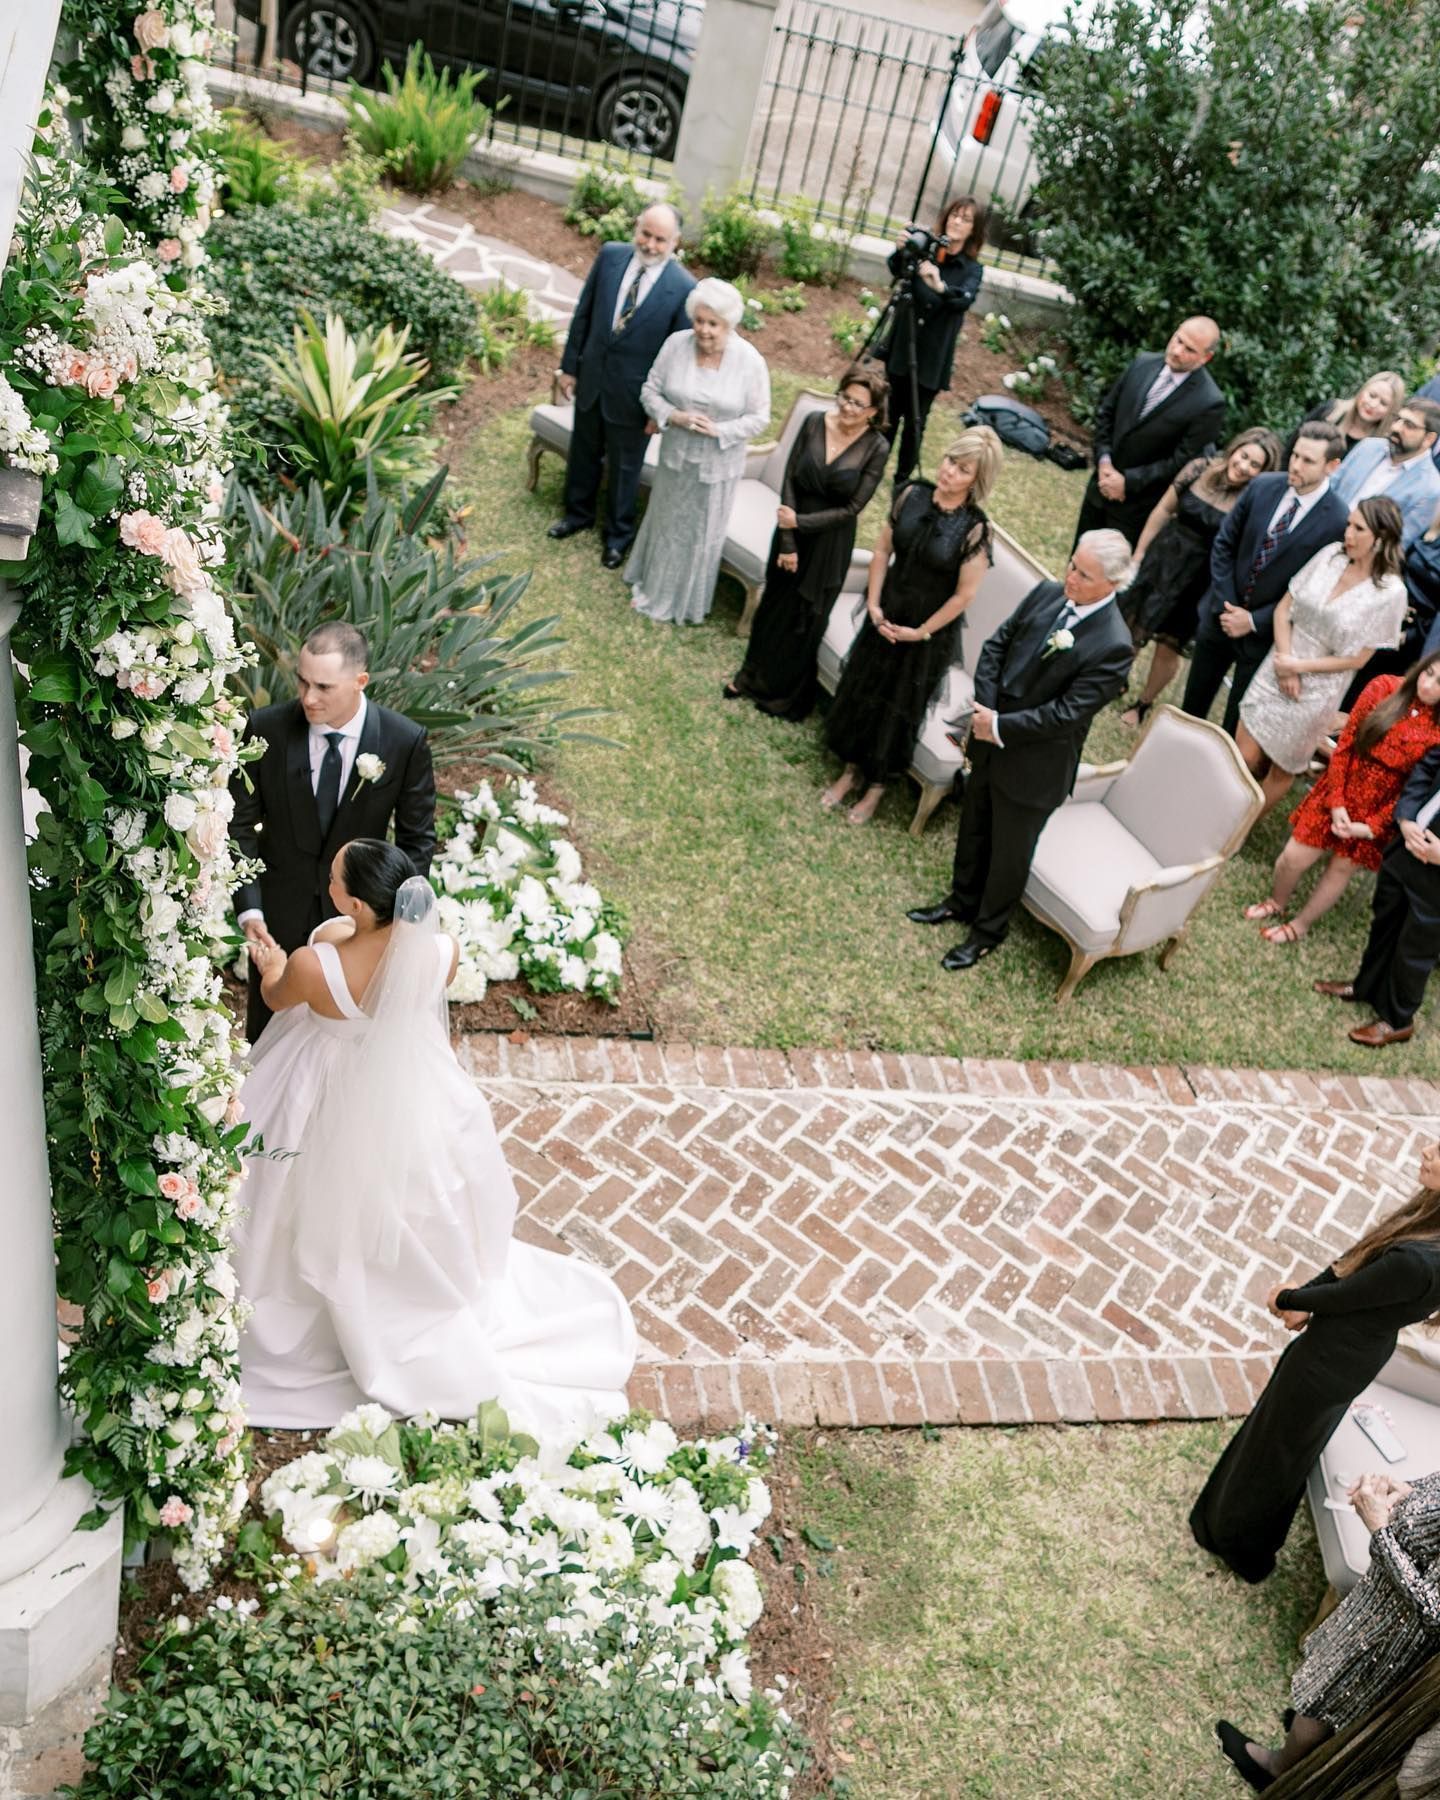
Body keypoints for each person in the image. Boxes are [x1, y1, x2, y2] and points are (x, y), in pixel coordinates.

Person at [234, 840, 636, 1433]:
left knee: (291, 1191)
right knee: (411, 1194)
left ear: (357, 902)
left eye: (336, 877)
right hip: (405, 1088)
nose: (329, 881)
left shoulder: (312, 966)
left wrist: (270, 962)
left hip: (320, 1086)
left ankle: (310, 1314)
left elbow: (275, 997)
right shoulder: (439, 950)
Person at [1191, 1140, 1440, 1588]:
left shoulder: (1420, 1262)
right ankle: (1226, 1521)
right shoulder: (1429, 1218)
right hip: (1341, 1348)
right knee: (1275, 1441)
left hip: (1333, 1359)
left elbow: (1346, 1295)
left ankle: (1240, 1543)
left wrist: (1287, 1298)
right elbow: (1354, 1262)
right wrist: (1307, 1294)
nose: (1427, 1151)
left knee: (1277, 1454)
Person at [906, 530, 1135, 968]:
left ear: (1112, 583)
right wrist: (987, 713)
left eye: (1084, 575)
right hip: (990, 737)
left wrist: (1001, 726)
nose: (1071, 578)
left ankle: (988, 932)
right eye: (1072, 565)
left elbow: (1067, 713)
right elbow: (997, 645)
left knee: (1009, 852)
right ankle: (960, 900)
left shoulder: (1114, 644)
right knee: (974, 823)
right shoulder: (1048, 593)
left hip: (1036, 766)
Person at [230, 622, 436, 1045]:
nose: (308, 698)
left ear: (360, 681)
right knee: (269, 1040)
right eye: (302, 682)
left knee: (354, 1052)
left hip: (361, 928)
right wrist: (251, 911)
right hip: (278, 920)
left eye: (324, 687)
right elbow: (238, 826)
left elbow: (417, 842)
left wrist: (392, 923)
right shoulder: (266, 729)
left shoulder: (403, 740)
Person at [1217, 1461, 1440, 1791]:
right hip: (1377, 1609)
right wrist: (1409, 1494)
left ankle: (1278, 1769)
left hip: (1393, 1636)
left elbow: (1434, 1612)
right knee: (1327, 1689)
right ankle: (1310, 1740)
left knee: (1327, 1693)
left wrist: (1379, 1528)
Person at [820, 428, 1001, 824]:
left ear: (977, 480)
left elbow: (963, 596)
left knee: (899, 706)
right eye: (950, 461)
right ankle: (849, 771)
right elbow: (883, 549)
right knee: (863, 687)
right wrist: (872, 603)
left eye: (963, 469)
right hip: (886, 610)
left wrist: (920, 632)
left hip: (926, 632)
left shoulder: (975, 531)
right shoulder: (911, 495)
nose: (950, 472)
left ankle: (876, 787)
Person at [725, 368, 890, 719]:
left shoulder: (877, 447)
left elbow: (853, 508)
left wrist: (799, 522)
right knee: (773, 606)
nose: (848, 408)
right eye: (845, 397)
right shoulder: (815, 422)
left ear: (873, 412)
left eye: (858, 405)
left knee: (806, 618)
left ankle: (784, 693)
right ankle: (750, 675)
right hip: (790, 531)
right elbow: (789, 479)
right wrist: (787, 538)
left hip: (829, 543)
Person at [1243, 655, 1440, 945]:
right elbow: (1346, 743)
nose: (1429, 685)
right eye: (1429, 673)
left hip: (1380, 809)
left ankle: (1300, 925)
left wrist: (1371, 827)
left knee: (1341, 868)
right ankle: (1276, 901)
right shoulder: (1384, 687)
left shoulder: (1437, 732)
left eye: (1439, 684)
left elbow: (1414, 789)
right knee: (1292, 859)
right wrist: (1337, 802)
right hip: (1341, 787)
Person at [1235, 496, 1407, 817]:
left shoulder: (1391, 593)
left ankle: (1239, 825)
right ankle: (1218, 805)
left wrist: (1299, 668)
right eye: (1348, 525)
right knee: (1242, 753)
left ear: (1381, 538)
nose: (1348, 534)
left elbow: (1358, 659)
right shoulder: (1330, 556)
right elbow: (1285, 608)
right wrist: (1286, 661)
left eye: (1358, 528)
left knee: (1284, 767)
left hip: (1319, 689)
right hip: (1279, 661)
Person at [547, 203, 694, 570]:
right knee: (583, 451)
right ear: (636, 227)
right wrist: (570, 367)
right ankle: (577, 514)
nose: (651, 244)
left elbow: (677, 357)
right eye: (646, 234)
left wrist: (658, 411)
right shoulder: (611, 255)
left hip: (635, 398)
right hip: (593, 377)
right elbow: (584, 312)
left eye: (661, 239)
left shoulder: (684, 287)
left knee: (626, 469)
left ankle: (617, 537)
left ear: (675, 242)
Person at [1181, 421, 1349, 735]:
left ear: (1332, 466)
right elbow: (1224, 544)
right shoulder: (1263, 486)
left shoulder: (1338, 520)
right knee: (1191, 707)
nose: (1296, 465)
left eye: (1307, 460)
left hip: (1266, 636)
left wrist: (1255, 620)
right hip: (1221, 613)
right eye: (1295, 455)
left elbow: (1313, 591)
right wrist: (1228, 604)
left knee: (1235, 727)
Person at [624, 277, 770, 625]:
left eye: (713, 324)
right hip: (676, 457)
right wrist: (672, 415)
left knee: (700, 532)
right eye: (699, 321)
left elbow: (759, 417)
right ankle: (653, 585)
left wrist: (720, 429)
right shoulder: (676, 344)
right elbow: (650, 391)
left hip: (718, 466)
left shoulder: (750, 361)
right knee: (667, 523)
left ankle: (686, 601)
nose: (703, 331)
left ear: (729, 324)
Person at [1118, 427, 1284, 727]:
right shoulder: (1198, 468)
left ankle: (1143, 703)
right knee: (1131, 622)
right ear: (1234, 450)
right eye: (1243, 455)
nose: (1244, 466)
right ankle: (1115, 679)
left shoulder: (1253, 501)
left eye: (1254, 464)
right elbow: (1163, 509)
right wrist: (1140, 553)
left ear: (1263, 472)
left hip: (1200, 579)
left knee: (1168, 645)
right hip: (1164, 557)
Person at [1315, 741, 1440, 1049]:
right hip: (1406, 846)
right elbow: (1427, 768)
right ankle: (1365, 986)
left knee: (1415, 950)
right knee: (1383, 921)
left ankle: (1398, 1020)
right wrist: (1407, 817)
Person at [1072, 317, 1226, 550]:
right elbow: (1106, 413)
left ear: (1206, 357)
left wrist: (1128, 482)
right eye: (1178, 340)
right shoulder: (1142, 363)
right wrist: (1104, 462)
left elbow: (1181, 461)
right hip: (1099, 488)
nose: (1176, 351)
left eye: (1189, 350)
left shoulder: (1209, 403)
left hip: (1134, 508)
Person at [879, 196, 985, 486]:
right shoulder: (926, 247)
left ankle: (902, 478)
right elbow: (898, 270)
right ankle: (874, 466)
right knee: (888, 412)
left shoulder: (971, 269)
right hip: (903, 343)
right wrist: (902, 250)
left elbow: (963, 300)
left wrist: (939, 286)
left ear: (974, 230)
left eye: (965, 219)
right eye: (954, 215)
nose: (957, 222)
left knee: (915, 421)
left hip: (931, 355)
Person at [1331, 397, 1440, 550]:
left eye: (1409, 425)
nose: (1396, 427)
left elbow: (1398, 544)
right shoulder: (1368, 446)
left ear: (1429, 438)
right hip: (1318, 531)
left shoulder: (1431, 489)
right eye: (1398, 419)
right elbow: (1331, 486)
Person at [1284, 369, 1406, 462]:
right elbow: (1292, 444)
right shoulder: (1331, 411)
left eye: (1383, 403)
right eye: (1372, 395)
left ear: (1391, 412)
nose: (1373, 404)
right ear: (1362, 391)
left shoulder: (1381, 445)